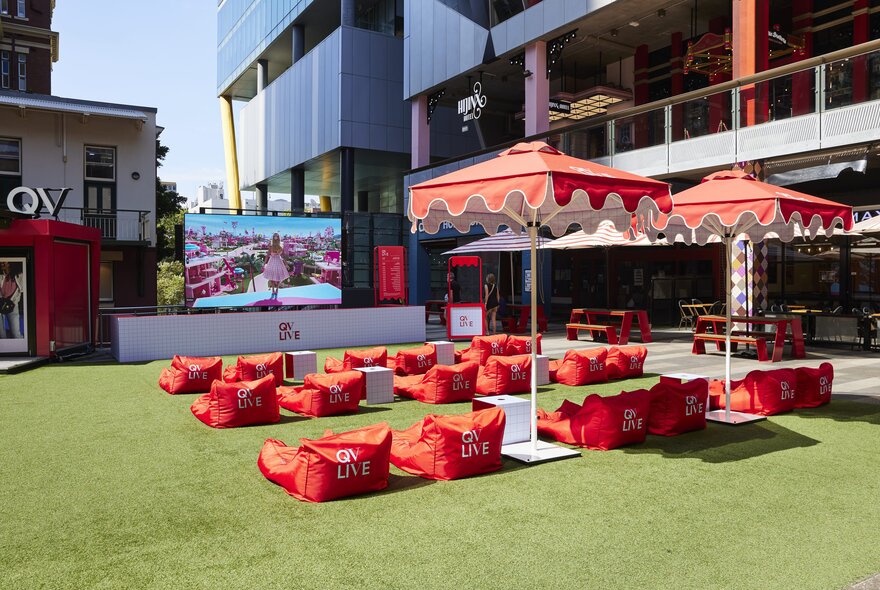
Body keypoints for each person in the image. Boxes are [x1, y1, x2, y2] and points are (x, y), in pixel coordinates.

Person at [262, 233, 290, 298]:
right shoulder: (271, 247)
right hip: (272, 262)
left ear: (278, 238)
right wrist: (264, 263)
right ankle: (273, 290)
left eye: (276, 236)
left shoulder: (280, 247)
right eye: (274, 236)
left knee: (278, 276)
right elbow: (267, 255)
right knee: (272, 277)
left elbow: (283, 256)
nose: (275, 238)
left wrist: (286, 264)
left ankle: (276, 289)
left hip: (278, 261)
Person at [0, 261, 24, 339]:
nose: (2, 264)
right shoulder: (1, 275)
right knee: (1, 335)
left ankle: (19, 349)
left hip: (13, 305)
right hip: (0, 304)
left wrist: (13, 301)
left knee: (15, 334)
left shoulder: (19, 275)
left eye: (4, 263)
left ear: (9, 264)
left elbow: (23, 289)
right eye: (1, 263)